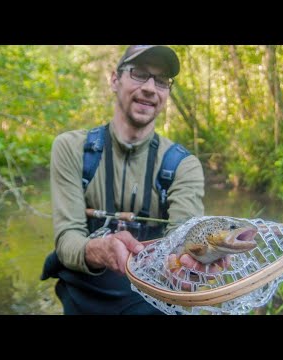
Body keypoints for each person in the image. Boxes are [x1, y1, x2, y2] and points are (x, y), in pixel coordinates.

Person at [44, 45, 227, 315]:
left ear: (167, 92)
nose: (151, 88)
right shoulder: (70, 148)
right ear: (114, 80)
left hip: (152, 301)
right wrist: (98, 250)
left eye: (162, 81)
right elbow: (67, 239)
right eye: (139, 74)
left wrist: (190, 265)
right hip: (85, 298)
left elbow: (183, 236)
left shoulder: (184, 166)